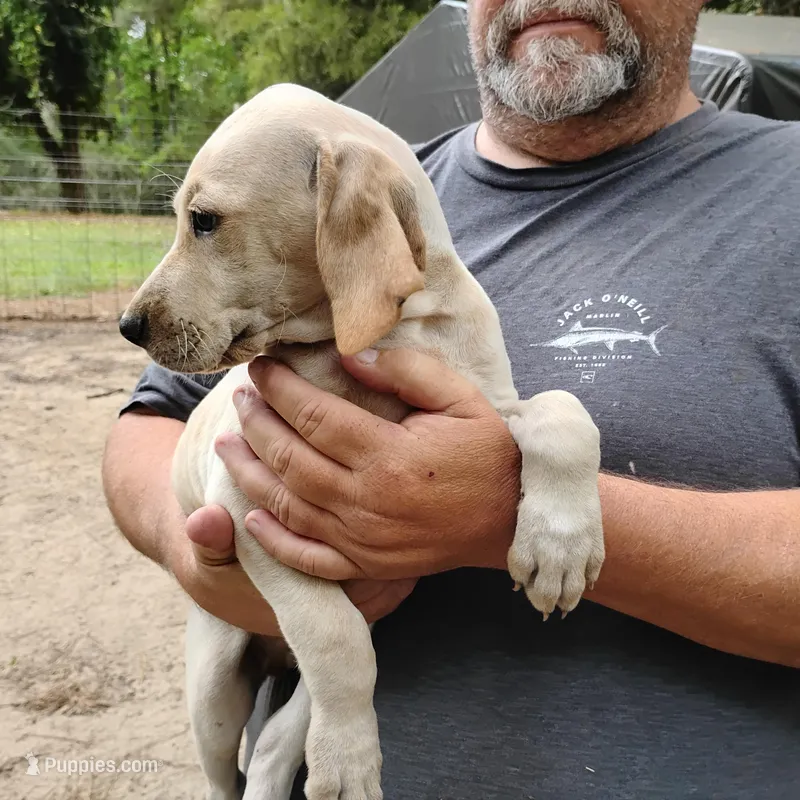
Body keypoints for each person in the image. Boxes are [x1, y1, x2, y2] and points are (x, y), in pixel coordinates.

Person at [103, 0, 800, 797]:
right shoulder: (339, 180)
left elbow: (520, 438)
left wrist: (491, 508)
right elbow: (154, 421)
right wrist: (207, 550)